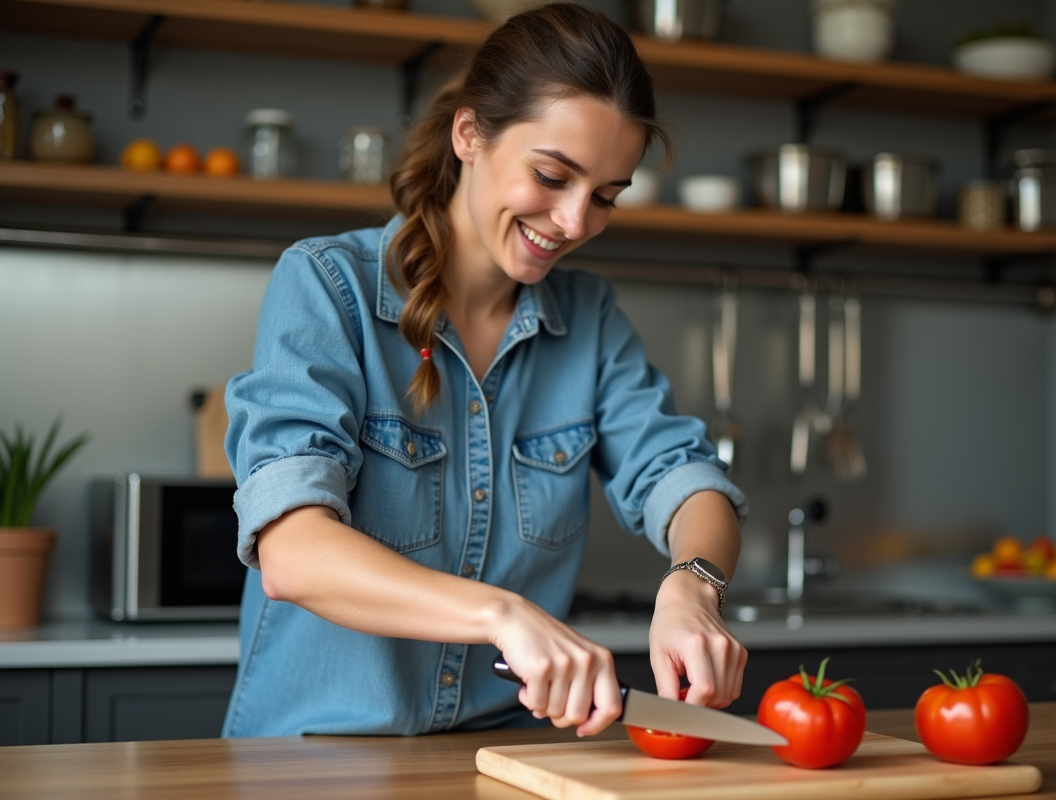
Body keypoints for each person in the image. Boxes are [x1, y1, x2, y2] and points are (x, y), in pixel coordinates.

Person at [221, 3, 748, 739]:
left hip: (500, 756)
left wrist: (693, 585)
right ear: (470, 134)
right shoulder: (327, 286)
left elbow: (685, 479)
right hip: (315, 758)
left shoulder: (588, 319)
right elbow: (293, 551)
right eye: (551, 175)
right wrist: (500, 613)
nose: (573, 222)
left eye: (604, 197)